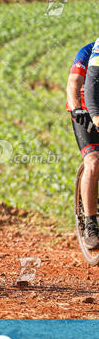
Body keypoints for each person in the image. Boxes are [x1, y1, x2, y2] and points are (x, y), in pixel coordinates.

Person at [79, 39, 99, 247]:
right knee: (93, 162)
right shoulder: (88, 52)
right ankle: (90, 222)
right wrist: (94, 116)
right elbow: (78, 83)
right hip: (86, 108)